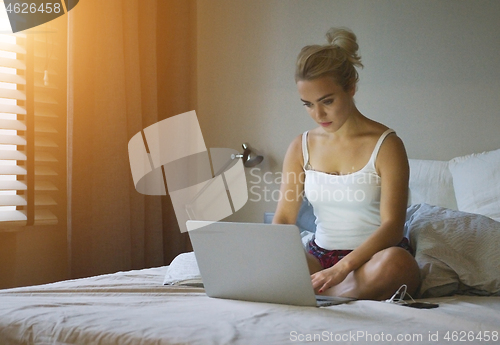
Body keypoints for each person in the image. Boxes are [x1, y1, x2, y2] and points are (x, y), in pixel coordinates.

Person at [272, 27, 420, 301]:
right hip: (320, 259)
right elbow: (283, 219)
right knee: (265, 255)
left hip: (374, 260)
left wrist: (342, 270)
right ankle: (334, 295)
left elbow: (392, 226)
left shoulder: (387, 145)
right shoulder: (299, 146)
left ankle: (320, 295)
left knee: (398, 265)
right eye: (307, 104)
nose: (318, 114)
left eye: (327, 101)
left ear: (351, 87)